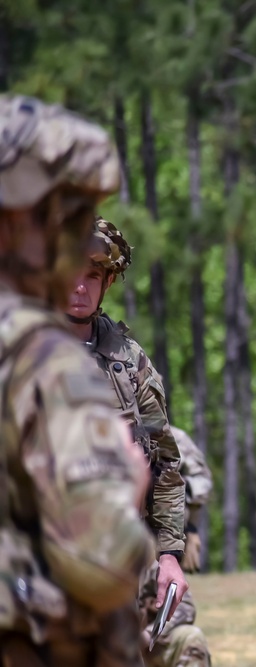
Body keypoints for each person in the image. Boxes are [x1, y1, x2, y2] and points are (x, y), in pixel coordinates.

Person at [0, 95, 153, 665]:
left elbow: (167, 452)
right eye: (72, 213)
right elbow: (103, 563)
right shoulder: (42, 361)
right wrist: (125, 488)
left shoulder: (121, 358)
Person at [64, 216, 189, 616]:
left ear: (108, 283)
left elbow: (164, 463)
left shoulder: (128, 361)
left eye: (92, 276)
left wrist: (169, 554)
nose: (79, 287)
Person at [136, 425, 213, 666]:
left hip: (171, 531)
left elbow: (202, 482)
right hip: (134, 531)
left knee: (171, 591)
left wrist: (172, 490)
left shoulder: (174, 437)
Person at [174, 426, 214, 574]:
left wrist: (192, 531)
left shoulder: (173, 437)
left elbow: (201, 482)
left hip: (168, 539)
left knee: (174, 592)